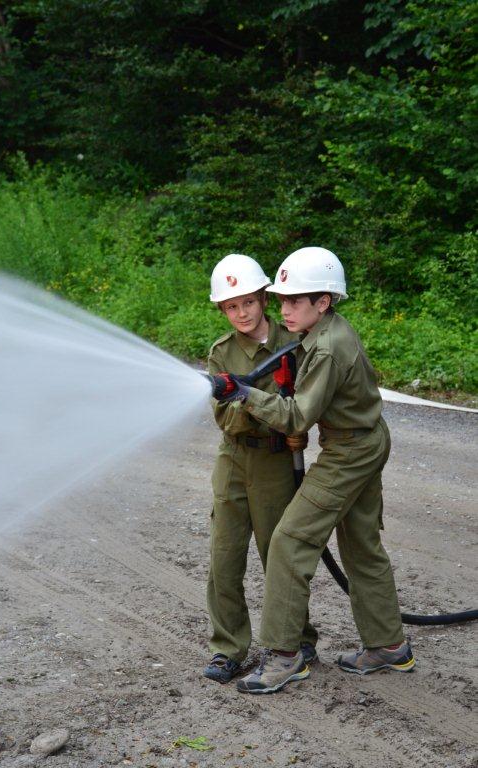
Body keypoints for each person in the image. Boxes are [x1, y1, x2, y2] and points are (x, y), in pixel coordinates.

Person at [213, 247, 415, 694]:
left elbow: (297, 418)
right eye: (281, 300)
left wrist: (244, 394)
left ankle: (286, 656)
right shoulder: (327, 331)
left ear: (323, 301)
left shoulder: (325, 348)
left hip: (350, 452)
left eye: (294, 300)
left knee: (289, 541)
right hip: (366, 439)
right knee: (361, 544)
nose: (283, 309)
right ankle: (389, 645)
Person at [204, 253, 317, 684]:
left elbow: (309, 402)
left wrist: (294, 428)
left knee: (280, 555)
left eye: (248, 302)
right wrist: (269, 410)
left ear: (263, 298)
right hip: (234, 459)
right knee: (225, 557)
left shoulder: (296, 341)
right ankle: (228, 648)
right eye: (231, 306)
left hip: (276, 461)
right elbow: (227, 419)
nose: (242, 313)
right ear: (222, 309)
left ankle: (297, 640)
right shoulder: (221, 353)